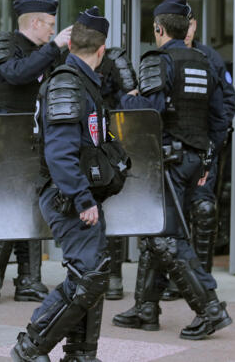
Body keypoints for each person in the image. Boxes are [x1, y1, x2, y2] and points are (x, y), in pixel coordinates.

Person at [11, 6, 130, 362]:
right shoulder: (67, 83)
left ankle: (81, 354)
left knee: (91, 274)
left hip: (80, 195)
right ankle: (30, 347)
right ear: (101, 49)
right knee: (89, 277)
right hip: (67, 197)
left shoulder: (82, 81)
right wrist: (81, 199)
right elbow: (60, 155)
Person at [112, 0, 233, 340]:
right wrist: (208, 159)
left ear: (159, 28)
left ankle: (209, 308)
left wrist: (127, 98)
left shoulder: (159, 59)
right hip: (196, 159)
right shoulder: (204, 61)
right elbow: (220, 118)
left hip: (170, 161)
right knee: (156, 232)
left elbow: (147, 112)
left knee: (166, 239)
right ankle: (146, 307)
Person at [0, 0, 72, 304]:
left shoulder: (50, 53)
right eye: (49, 24)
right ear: (35, 23)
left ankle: (29, 281)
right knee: (11, 207)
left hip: (39, 139)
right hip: (7, 140)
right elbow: (16, 74)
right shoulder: (6, 43)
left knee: (34, 204)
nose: (53, 30)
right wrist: (54, 47)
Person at [160, 11, 235, 301]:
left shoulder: (210, 58)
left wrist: (209, 148)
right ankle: (174, 283)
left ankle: (201, 285)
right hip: (174, 153)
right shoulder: (164, 58)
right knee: (168, 222)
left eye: (192, 24)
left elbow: (226, 105)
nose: (188, 30)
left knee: (203, 212)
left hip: (201, 152)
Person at [96, 47, 139, 300]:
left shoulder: (74, 60)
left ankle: (110, 279)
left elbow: (131, 98)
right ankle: (110, 279)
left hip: (107, 138)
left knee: (107, 208)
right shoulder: (111, 60)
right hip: (107, 138)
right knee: (107, 209)